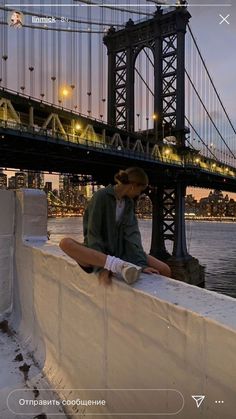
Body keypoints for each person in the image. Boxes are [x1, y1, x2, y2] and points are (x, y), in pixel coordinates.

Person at [59, 167, 171, 285]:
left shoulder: (128, 203)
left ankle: (120, 264)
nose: (139, 194)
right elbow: (93, 234)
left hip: (122, 251)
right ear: (133, 185)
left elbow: (132, 236)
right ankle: (116, 264)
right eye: (140, 190)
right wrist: (102, 268)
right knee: (65, 243)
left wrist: (141, 265)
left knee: (164, 269)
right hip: (100, 254)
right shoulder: (101, 196)